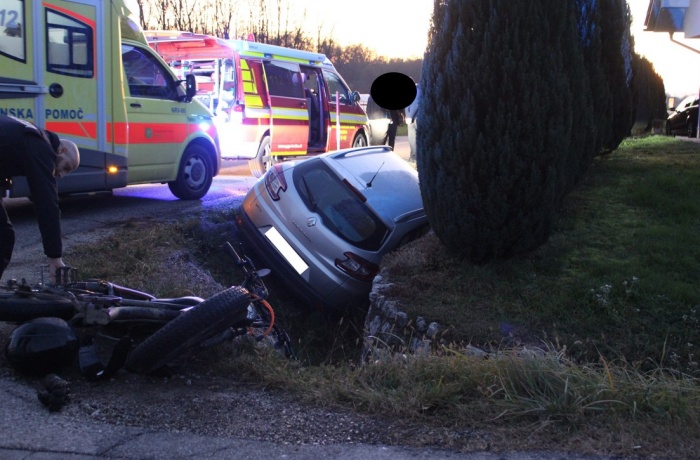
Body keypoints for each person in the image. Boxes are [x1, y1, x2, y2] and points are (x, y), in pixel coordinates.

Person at [0, 115, 80, 283]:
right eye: (66, 167)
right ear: (62, 151)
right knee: (4, 237)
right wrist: (55, 257)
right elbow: (46, 202)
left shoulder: (27, 133)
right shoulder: (40, 146)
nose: (62, 175)